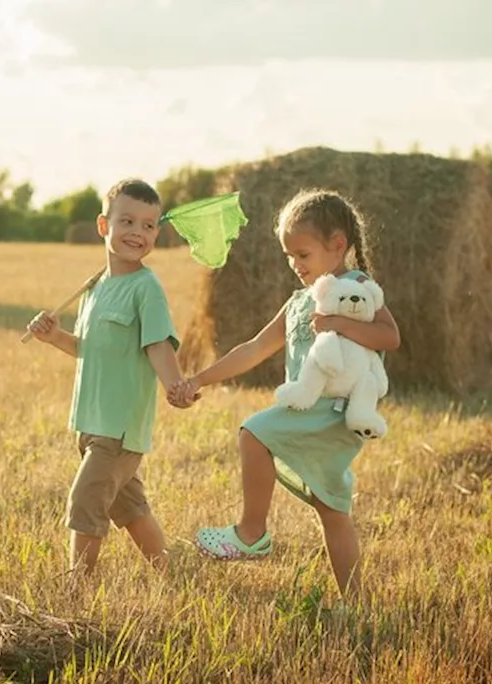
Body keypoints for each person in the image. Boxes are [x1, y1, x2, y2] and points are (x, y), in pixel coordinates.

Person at [168, 188, 401, 597]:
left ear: (338, 245)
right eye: (289, 256)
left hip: (335, 410)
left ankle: (251, 532)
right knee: (333, 510)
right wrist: (200, 379)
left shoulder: (356, 287)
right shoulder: (298, 303)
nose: (295, 265)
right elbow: (254, 348)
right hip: (317, 411)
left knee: (255, 432)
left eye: (303, 255)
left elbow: (389, 336)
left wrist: (338, 325)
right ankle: (357, 602)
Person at [27, 178, 192, 575]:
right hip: (90, 421)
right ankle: (167, 571)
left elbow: (157, 345)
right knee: (128, 506)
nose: (138, 233)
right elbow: (89, 348)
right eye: (128, 222)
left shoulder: (146, 288)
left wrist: (174, 384)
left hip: (119, 426)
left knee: (85, 499)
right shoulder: (95, 287)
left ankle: (77, 587)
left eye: (149, 225)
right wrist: (55, 338)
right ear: (104, 226)